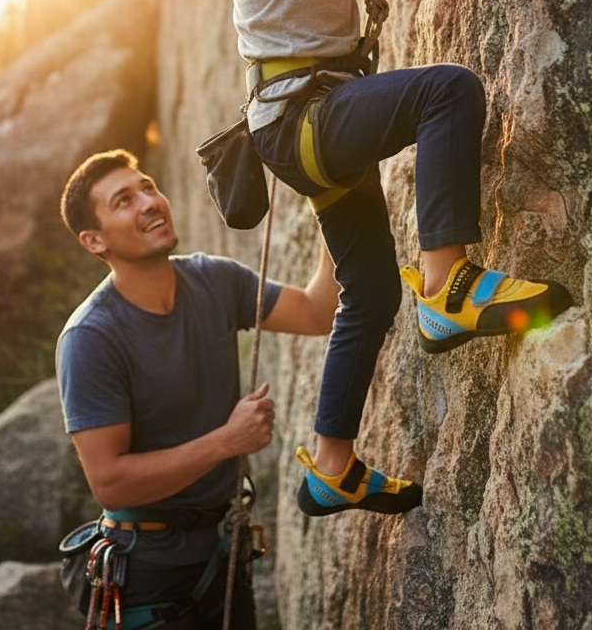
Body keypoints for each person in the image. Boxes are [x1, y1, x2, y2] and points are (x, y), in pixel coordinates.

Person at [188, 0, 571, 519]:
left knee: (364, 297)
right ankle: (449, 286)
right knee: (448, 90)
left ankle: (332, 465)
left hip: (306, 123)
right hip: (304, 121)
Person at [56, 149, 417, 630]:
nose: (149, 202)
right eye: (124, 200)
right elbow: (110, 482)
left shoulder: (213, 280)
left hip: (224, 552)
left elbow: (315, 311)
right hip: (151, 576)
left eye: (147, 186)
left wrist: (336, 196)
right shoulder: (91, 338)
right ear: (93, 240)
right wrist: (228, 441)